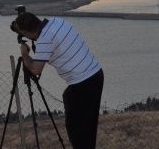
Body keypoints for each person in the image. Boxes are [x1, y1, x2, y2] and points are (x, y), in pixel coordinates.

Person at [13, 12, 104, 149]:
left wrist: (24, 54)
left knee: (77, 131)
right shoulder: (57, 21)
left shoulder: (45, 39)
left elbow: (35, 69)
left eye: (23, 33)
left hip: (82, 84)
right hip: (95, 74)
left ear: (27, 32)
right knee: (88, 127)